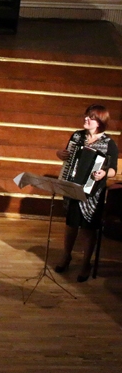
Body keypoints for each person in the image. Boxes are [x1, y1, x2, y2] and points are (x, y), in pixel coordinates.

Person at [54, 105, 118, 282]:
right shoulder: (77, 136)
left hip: (93, 192)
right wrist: (60, 154)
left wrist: (104, 173)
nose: (86, 120)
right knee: (71, 224)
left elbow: (113, 170)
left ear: (99, 122)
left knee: (88, 229)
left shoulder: (109, 144)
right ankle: (66, 256)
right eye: (85, 116)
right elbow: (66, 156)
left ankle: (85, 263)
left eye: (90, 118)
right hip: (73, 186)